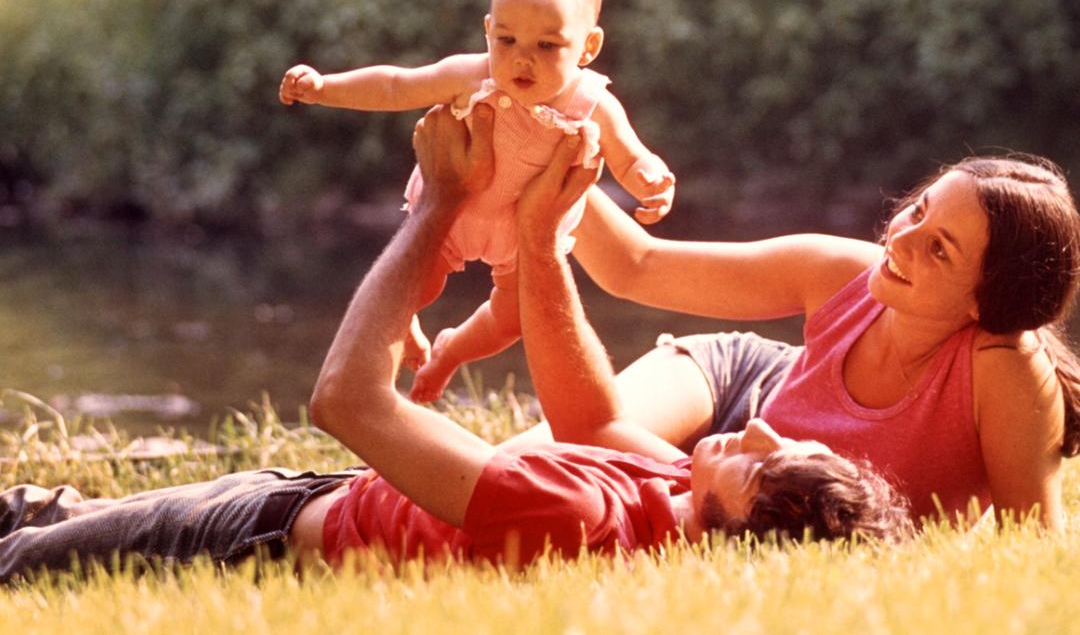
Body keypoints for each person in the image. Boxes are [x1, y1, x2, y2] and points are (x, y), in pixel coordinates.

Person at [0, 105, 908, 583]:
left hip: (255, 541)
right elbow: (589, 416)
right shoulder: (675, 498)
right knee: (42, 511)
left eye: (765, 467)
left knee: (21, 565)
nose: (757, 430)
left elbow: (346, 402)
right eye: (782, 440)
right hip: (304, 500)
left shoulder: (574, 522)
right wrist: (546, 235)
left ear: (746, 535)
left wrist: (436, 210)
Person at [532, 153, 1080, 530]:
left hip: (766, 476)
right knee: (530, 461)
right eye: (919, 210)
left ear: (984, 300)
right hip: (740, 381)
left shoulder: (1003, 366)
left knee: (556, 486)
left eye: (939, 249)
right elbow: (636, 266)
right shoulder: (842, 272)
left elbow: (1029, 535)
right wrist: (548, 154)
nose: (902, 237)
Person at [278, 0, 675, 403]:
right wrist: (325, 88)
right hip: (453, 213)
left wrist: (651, 178)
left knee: (513, 318)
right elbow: (395, 85)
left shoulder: (593, 103)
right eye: (507, 40)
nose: (522, 59)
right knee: (412, 283)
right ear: (488, 31)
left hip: (528, 234)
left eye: (547, 46)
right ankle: (404, 321)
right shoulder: (472, 75)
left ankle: (451, 352)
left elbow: (630, 155)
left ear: (588, 46)